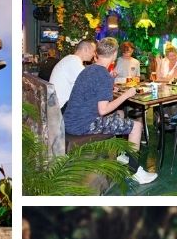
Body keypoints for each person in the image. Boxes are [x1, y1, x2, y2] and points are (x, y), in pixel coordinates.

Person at [64, 37, 157, 185]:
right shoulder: (103, 75)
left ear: (97, 54)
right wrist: (127, 94)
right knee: (136, 126)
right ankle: (134, 171)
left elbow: (94, 93)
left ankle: (123, 155)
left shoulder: (88, 69)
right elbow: (103, 110)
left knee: (119, 114)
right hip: (83, 125)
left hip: (69, 120)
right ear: (114, 55)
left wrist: (110, 89)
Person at [49, 39, 95, 111]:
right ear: (86, 49)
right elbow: (90, 85)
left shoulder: (70, 59)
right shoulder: (74, 62)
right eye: (93, 51)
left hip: (56, 105)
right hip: (61, 108)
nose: (94, 54)